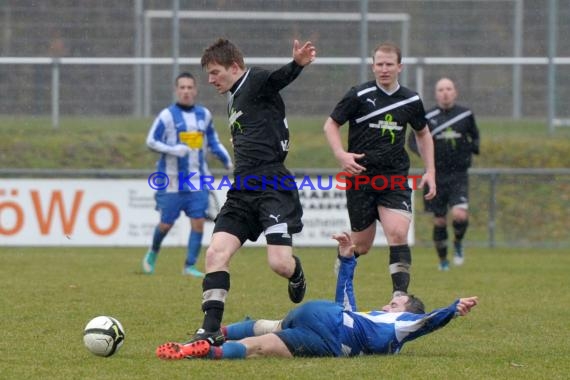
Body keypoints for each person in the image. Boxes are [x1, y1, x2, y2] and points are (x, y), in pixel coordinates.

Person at [172, 37, 316, 346]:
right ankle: (210, 328)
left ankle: (296, 272)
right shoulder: (233, 98)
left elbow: (279, 79)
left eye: (214, 73)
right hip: (243, 189)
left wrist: (297, 65)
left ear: (234, 67)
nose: (210, 81)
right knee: (215, 253)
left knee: (279, 264)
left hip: (273, 185)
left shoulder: (256, 80)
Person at [155, 232, 478, 360]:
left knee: (266, 328)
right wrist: (453, 308)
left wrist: (347, 259)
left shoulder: (402, 321)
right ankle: (205, 353)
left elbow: (426, 321)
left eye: (397, 302)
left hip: (320, 313)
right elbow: (427, 322)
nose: (390, 302)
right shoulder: (388, 325)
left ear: (406, 310)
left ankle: (210, 335)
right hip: (332, 332)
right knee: (261, 348)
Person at [323, 42, 436, 297]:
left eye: (389, 64)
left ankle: (399, 297)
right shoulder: (358, 95)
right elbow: (331, 124)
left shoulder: (411, 99)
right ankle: (344, 258)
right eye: (379, 64)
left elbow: (423, 134)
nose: (384, 69)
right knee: (361, 245)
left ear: (400, 67)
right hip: (360, 178)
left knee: (397, 233)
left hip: (394, 178)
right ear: (373, 66)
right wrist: (341, 155)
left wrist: (430, 171)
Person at [142, 72, 233, 277]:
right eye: (182, 87)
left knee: (198, 222)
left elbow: (213, 141)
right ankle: (153, 252)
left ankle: (189, 266)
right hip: (172, 181)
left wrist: (226, 159)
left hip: (197, 180)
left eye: (189, 87)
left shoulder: (204, 115)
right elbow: (151, 141)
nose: (186, 91)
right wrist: (174, 149)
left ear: (195, 90)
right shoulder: (167, 116)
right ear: (176, 90)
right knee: (165, 224)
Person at [408, 78, 480, 271]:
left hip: (458, 175)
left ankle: (457, 243)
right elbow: (413, 141)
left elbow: (475, 137)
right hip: (435, 175)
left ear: (455, 92)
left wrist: (471, 149)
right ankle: (443, 261)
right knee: (439, 220)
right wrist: (424, 155)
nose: (445, 93)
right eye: (441, 89)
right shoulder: (427, 116)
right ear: (436, 93)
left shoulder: (465, 114)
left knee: (459, 215)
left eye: (449, 89)